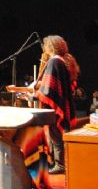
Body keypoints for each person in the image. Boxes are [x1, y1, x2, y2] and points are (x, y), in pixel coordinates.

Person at [34, 35, 79, 174]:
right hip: (63, 102)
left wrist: (36, 95)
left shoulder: (54, 61)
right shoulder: (64, 61)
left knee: (56, 134)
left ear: (50, 47)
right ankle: (60, 162)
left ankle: (60, 164)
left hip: (55, 105)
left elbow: (49, 88)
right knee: (58, 134)